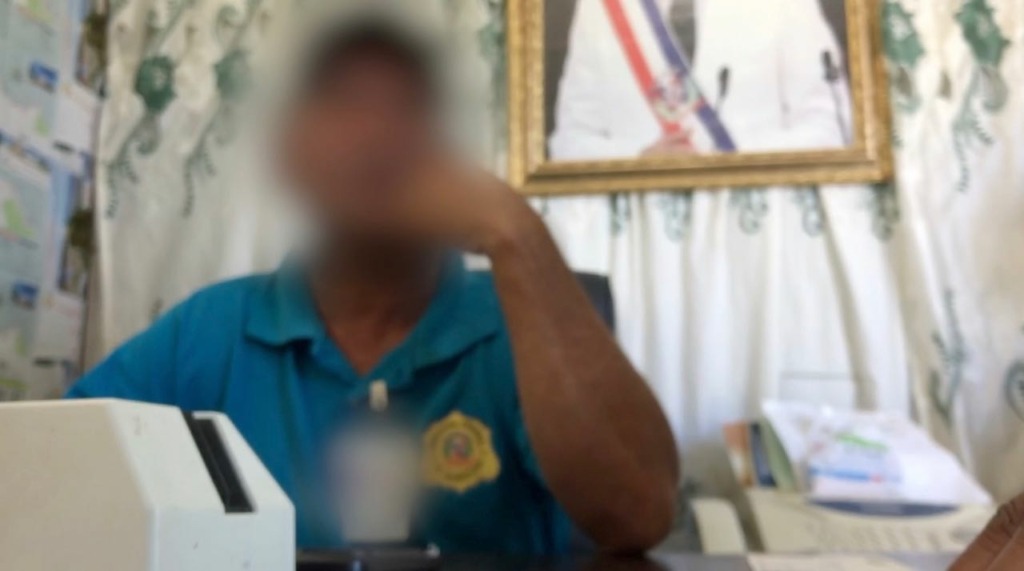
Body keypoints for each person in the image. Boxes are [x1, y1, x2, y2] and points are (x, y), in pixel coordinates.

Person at [66, 19, 679, 555]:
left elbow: (639, 517)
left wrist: (518, 236)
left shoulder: (516, 324)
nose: (377, 134)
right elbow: (57, 479)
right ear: (293, 158)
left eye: (407, 108)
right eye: (344, 105)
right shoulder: (210, 332)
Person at [549, 0, 853, 159]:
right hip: (640, 241)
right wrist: (640, 159)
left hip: (757, 232)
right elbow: (569, 144)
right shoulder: (601, 7)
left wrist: (729, 158)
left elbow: (830, 129)